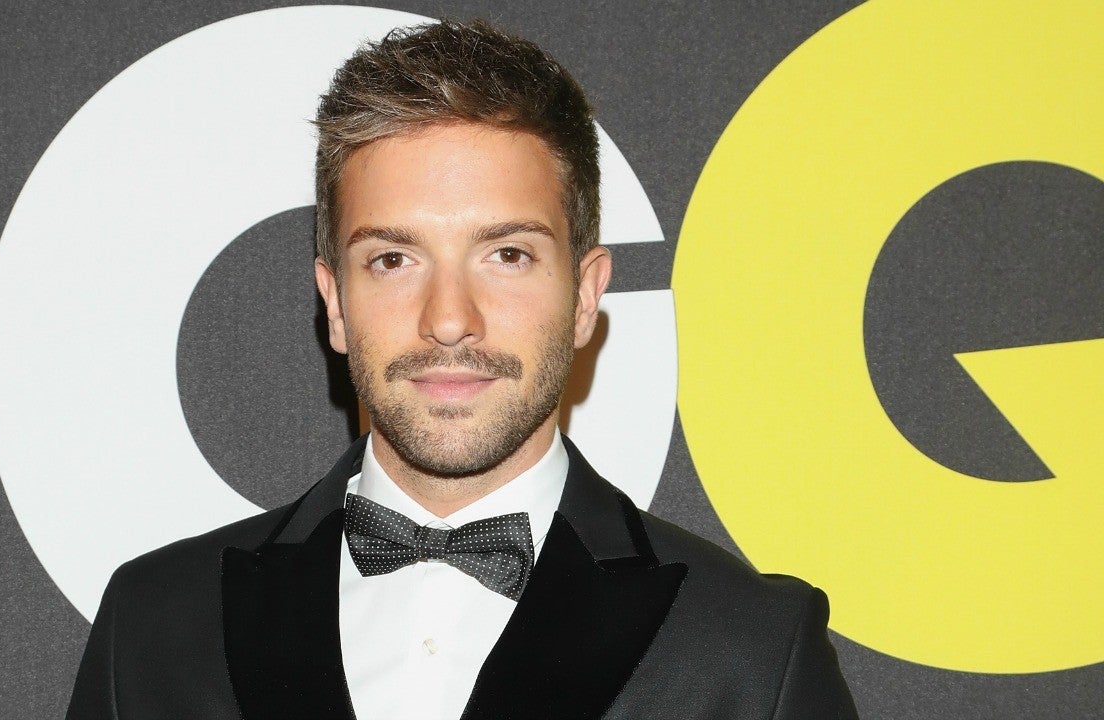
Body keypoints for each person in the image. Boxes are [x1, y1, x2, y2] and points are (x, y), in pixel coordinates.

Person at [66, 19, 858, 720]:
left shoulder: (750, 653)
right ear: (334, 303)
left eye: (506, 254)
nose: (449, 319)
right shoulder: (155, 631)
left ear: (585, 296)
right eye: (393, 258)